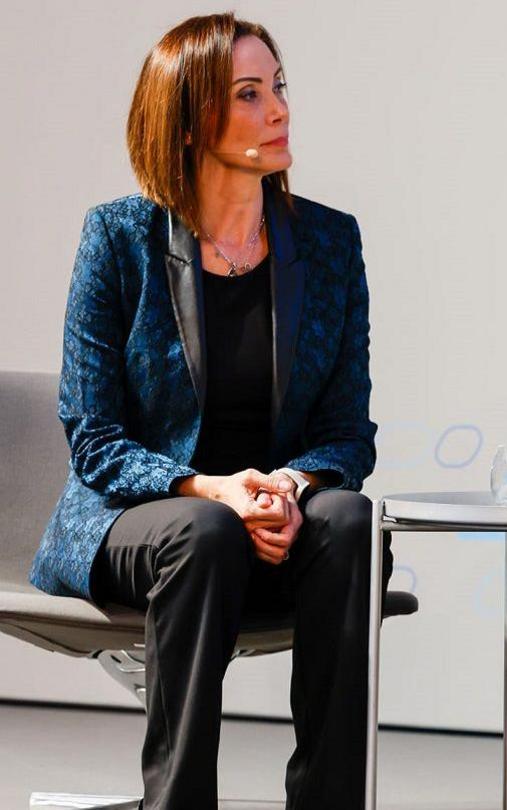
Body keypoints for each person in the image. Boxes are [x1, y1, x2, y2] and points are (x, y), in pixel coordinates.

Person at [28, 13, 390, 809]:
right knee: (207, 530)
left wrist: (289, 487)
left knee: (354, 520)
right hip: (144, 516)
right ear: (189, 122)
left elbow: (345, 430)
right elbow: (94, 438)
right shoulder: (118, 238)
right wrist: (215, 488)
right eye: (251, 95)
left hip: (268, 519)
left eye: (279, 88)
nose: (280, 110)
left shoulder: (329, 243)